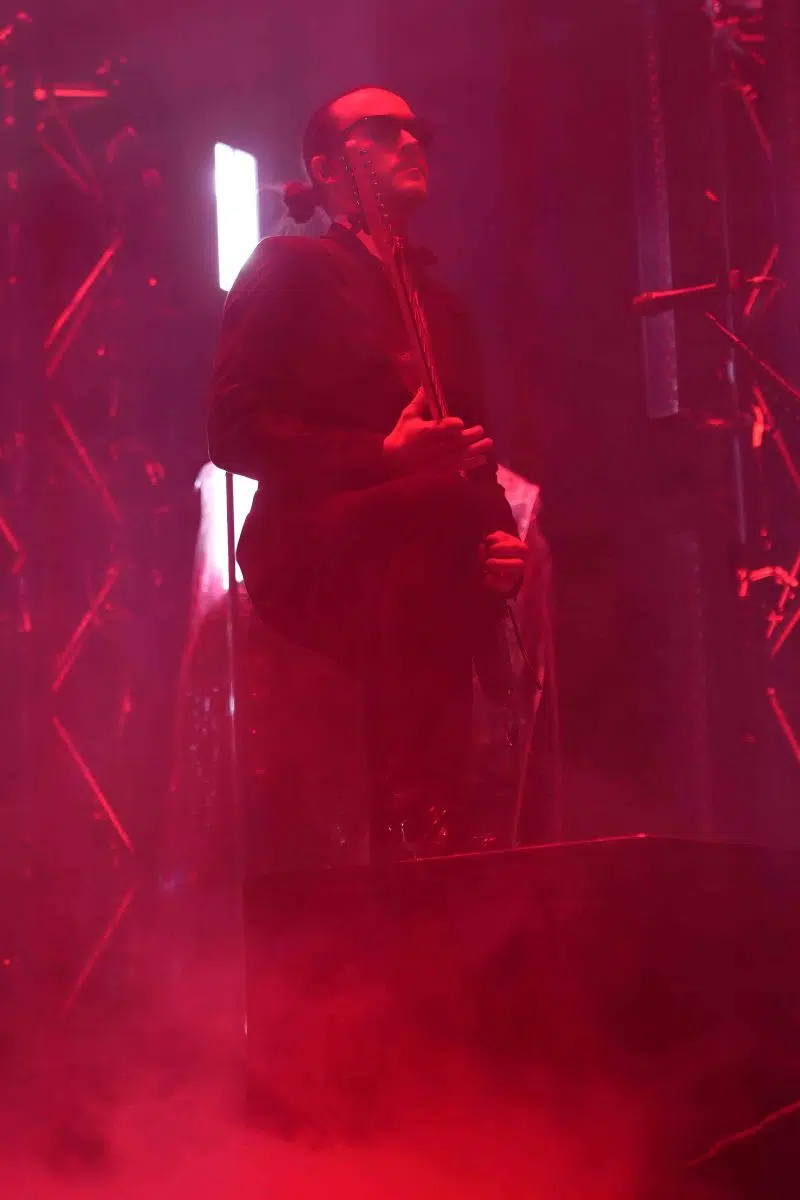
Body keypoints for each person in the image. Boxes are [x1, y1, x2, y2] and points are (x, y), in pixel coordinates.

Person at [208, 85, 529, 860]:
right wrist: (382, 457)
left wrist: (498, 536)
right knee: (424, 521)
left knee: (456, 539)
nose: (411, 142)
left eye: (416, 131)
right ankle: (417, 823)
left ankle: (447, 829)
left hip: (423, 546)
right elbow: (233, 431)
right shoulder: (289, 266)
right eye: (382, 132)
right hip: (315, 545)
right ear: (327, 168)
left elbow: (472, 450)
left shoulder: (441, 305)